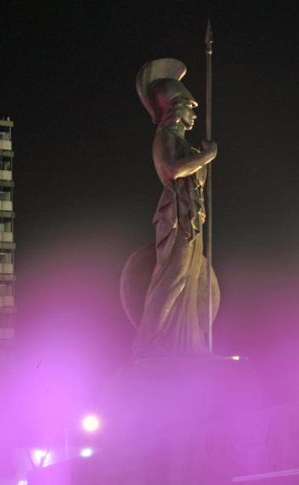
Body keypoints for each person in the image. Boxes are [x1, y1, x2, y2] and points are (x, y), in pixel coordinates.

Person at [128, 58, 219, 356]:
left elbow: (194, 179)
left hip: (190, 219)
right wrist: (208, 157)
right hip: (175, 218)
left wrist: (200, 157)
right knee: (173, 277)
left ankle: (187, 347)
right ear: (176, 108)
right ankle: (148, 347)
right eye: (190, 107)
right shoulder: (164, 138)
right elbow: (171, 171)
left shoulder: (186, 145)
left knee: (190, 279)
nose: (195, 113)